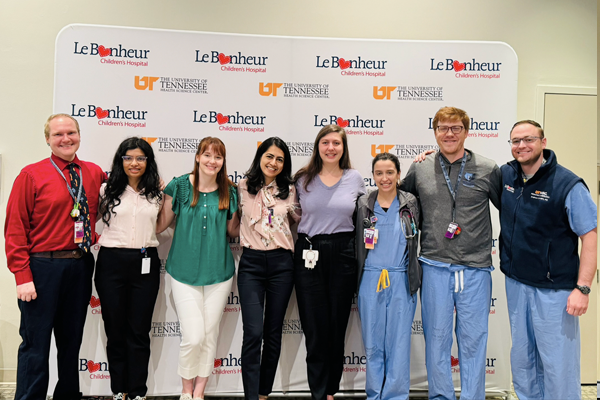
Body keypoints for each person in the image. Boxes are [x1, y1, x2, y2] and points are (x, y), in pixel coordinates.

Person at [401, 106, 501, 400]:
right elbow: (405, 209)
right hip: (434, 265)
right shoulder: (420, 168)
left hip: (475, 268)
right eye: (442, 128)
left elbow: (510, 212)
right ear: (435, 132)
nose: (449, 134)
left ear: (466, 132)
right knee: (437, 339)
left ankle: (473, 397)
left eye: (455, 128)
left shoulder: (488, 168)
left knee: (473, 341)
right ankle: (441, 397)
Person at [4, 114, 106, 400]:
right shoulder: (31, 175)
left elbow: (125, 189)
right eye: (58, 134)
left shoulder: (94, 172)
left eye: (71, 132)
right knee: (35, 345)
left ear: (79, 135)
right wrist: (22, 277)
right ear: (48, 139)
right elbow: (15, 229)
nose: (66, 139)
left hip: (81, 265)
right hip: (41, 268)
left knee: (71, 343)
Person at [500, 120, 597, 400]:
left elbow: (589, 237)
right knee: (523, 361)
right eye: (516, 141)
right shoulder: (507, 175)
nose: (521, 146)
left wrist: (583, 288)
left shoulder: (568, 184)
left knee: (558, 365)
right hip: (517, 284)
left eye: (529, 139)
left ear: (543, 142)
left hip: (555, 291)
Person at [157, 137, 239, 400]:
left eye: (217, 157)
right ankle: (185, 390)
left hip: (219, 273)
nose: (212, 161)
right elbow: (160, 225)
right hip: (183, 271)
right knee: (192, 336)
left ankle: (199, 392)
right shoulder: (179, 186)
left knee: (208, 334)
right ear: (197, 157)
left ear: (223, 162)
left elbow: (233, 231)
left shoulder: (230, 191)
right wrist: (151, 195)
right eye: (207, 155)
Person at [293, 124, 366, 400]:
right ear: (318, 146)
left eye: (336, 143)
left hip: (344, 252)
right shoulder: (303, 179)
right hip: (309, 251)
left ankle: (331, 391)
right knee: (314, 325)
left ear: (343, 148)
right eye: (326, 142)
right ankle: (318, 391)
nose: (331, 147)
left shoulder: (355, 178)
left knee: (336, 325)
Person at [95, 137, 163, 400]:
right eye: (128, 158)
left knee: (139, 330)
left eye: (140, 158)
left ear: (148, 162)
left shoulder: (158, 193)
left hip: (145, 262)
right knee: (115, 329)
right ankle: (118, 389)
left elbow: (162, 225)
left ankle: (137, 392)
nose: (134, 163)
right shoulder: (106, 190)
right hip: (111, 263)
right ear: (120, 161)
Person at [237, 137, 300, 400]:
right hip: (250, 263)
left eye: (280, 159)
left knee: (273, 332)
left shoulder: (291, 190)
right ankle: (251, 396)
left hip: (281, 265)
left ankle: (264, 394)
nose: (273, 163)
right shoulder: (241, 186)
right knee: (253, 331)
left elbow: (297, 222)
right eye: (269, 156)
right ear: (260, 156)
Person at [356, 152, 421, 400]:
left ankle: (395, 396)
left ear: (398, 174)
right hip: (370, 279)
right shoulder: (364, 204)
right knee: (372, 343)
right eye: (379, 173)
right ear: (373, 175)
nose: (385, 178)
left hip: (401, 278)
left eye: (390, 172)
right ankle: (374, 394)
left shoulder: (410, 202)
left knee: (399, 342)